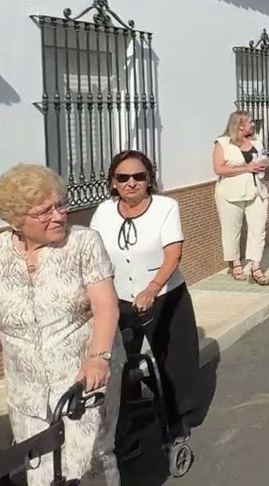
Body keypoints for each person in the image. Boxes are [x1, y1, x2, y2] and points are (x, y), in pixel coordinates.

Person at [0, 164, 123, 485]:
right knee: (38, 464)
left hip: (83, 380)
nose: (59, 216)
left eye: (60, 205)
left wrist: (98, 357)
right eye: (44, 212)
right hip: (26, 388)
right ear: (15, 219)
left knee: (87, 463)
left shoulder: (83, 243)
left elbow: (105, 305)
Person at [89, 150, 200, 440]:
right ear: (113, 182)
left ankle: (180, 420)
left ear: (149, 179)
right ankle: (129, 420)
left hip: (164, 294)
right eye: (123, 177)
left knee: (174, 359)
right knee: (121, 361)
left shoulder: (165, 207)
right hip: (119, 298)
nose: (131, 183)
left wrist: (152, 287)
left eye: (139, 176)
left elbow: (173, 253)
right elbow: (92, 254)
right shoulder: (103, 212)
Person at [212, 110, 269, 285]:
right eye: (250, 121)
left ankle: (256, 267)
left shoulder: (257, 143)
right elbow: (219, 169)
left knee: (258, 228)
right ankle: (235, 264)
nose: (253, 124)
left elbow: (265, 159)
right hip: (230, 192)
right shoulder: (222, 143)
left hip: (257, 190)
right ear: (239, 125)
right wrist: (247, 168)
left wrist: (264, 163)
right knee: (232, 230)